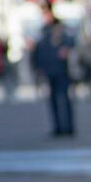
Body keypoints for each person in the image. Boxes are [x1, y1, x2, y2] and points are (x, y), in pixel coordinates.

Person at [33, 7, 76, 137]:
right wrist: (39, 68)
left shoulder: (61, 29)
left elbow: (71, 41)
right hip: (50, 70)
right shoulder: (43, 31)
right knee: (53, 100)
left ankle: (68, 127)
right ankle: (57, 127)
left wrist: (66, 49)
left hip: (62, 71)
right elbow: (39, 52)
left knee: (65, 98)